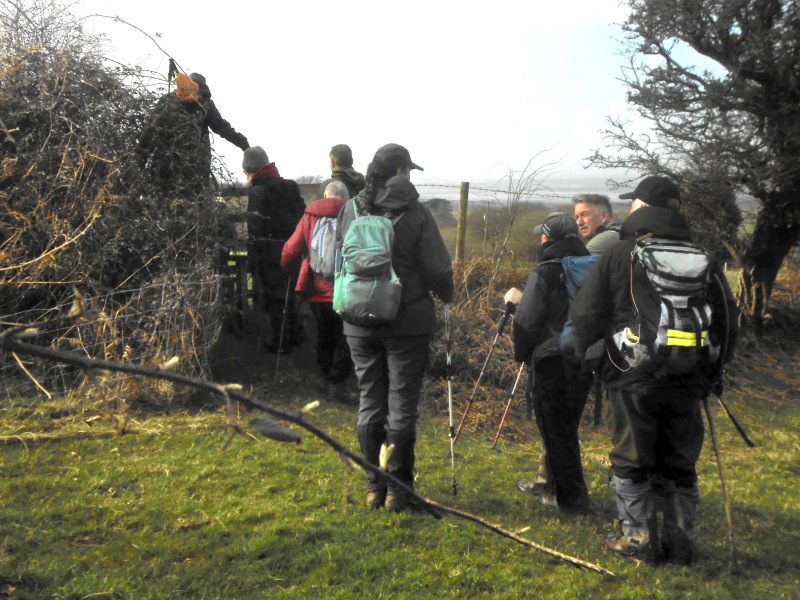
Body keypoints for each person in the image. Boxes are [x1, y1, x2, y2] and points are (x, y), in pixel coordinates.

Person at [569, 176, 739, 563]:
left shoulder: (620, 253)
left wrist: (588, 358)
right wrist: (714, 371)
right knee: (679, 458)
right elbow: (728, 320)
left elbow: (586, 314)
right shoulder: (704, 259)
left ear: (642, 208)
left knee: (632, 456)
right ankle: (680, 540)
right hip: (690, 376)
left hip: (632, 375)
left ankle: (638, 539)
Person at [337, 143, 454, 513]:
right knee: (401, 404)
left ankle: (375, 487)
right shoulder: (417, 213)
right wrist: (446, 293)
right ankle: (400, 492)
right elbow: (437, 269)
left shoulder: (351, 208)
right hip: (408, 320)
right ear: (402, 172)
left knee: (369, 401)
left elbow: (339, 258)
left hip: (358, 320)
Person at [504, 212, 594, 514]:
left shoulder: (545, 271)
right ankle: (556, 487)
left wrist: (524, 356)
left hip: (550, 359)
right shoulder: (592, 267)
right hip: (583, 356)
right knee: (567, 427)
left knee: (554, 429)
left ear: (547, 238)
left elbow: (527, 322)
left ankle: (569, 497)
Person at [281, 180, 355, 403]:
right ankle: (337, 384)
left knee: (324, 336)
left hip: (316, 289)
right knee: (346, 338)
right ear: (347, 197)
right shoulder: (354, 216)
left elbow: (291, 248)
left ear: (324, 195)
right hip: (345, 289)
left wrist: (286, 267)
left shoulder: (310, 215)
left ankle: (326, 379)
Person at [139, 72, 249, 198]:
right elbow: (222, 127)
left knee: (164, 200)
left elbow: (150, 131)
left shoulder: (167, 100)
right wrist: (243, 143)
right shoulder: (205, 103)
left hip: (166, 163)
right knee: (193, 201)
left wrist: (141, 159)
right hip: (196, 166)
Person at [243, 146, 306, 353]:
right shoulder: (290, 186)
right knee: (291, 292)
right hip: (294, 248)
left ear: (250, 170)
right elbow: (302, 216)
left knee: (275, 298)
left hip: (270, 252)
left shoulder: (258, 191)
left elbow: (255, 228)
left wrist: (254, 257)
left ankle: (280, 343)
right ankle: (297, 334)